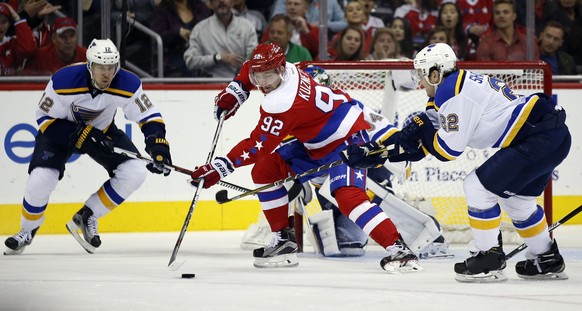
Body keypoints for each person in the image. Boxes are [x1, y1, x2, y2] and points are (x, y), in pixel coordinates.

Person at [342, 43, 571, 282]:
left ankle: (488, 257)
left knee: (476, 187)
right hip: (551, 135)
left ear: (435, 73)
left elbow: (447, 150)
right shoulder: (452, 85)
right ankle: (547, 259)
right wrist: (385, 151)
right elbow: (422, 136)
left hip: (539, 138)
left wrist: (417, 138)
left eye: (422, 74)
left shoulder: (451, 91)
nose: (420, 81)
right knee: (518, 202)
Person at [189, 42, 422, 272]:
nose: (261, 84)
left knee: (349, 197)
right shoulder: (288, 69)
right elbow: (251, 67)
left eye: (266, 77)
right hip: (315, 144)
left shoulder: (282, 101)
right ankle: (283, 240)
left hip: (347, 139)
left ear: (280, 70)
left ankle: (399, 250)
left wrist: (220, 167)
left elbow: (258, 145)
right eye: (258, 77)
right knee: (265, 170)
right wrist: (236, 91)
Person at [3, 39, 173, 255]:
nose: (107, 73)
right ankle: (26, 231)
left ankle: (87, 215)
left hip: (102, 131)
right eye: (101, 67)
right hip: (60, 132)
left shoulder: (128, 83)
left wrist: (158, 145)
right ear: (89, 65)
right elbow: (44, 117)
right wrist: (81, 135)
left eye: (111, 67)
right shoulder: (63, 80)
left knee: (135, 171)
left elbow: (149, 116)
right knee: (40, 179)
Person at [183, 0, 257, 78]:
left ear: (232, 2)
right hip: (210, 84)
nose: (221, 1)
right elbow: (190, 61)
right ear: (210, 4)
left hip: (240, 83)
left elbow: (254, 60)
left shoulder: (247, 27)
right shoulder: (200, 29)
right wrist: (217, 57)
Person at [151, 0, 213, 77]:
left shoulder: (200, 7)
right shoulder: (162, 10)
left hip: (201, 53)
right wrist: (177, 33)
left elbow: (212, 25)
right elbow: (158, 37)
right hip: (174, 58)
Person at [23, 17, 87, 75]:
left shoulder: (86, 56)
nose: (68, 41)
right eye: (63, 37)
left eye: (72, 36)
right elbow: (24, 78)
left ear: (77, 37)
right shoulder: (40, 56)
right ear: (53, 38)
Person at [0, 2, 36, 76]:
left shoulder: (12, 43)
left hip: (8, 87)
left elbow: (28, 49)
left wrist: (17, 18)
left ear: (9, 24)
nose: (0, 26)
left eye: (4, 22)